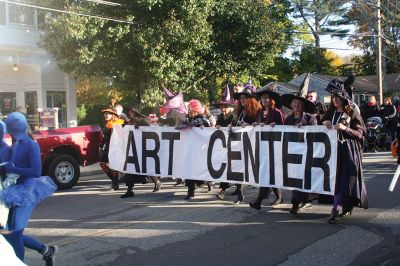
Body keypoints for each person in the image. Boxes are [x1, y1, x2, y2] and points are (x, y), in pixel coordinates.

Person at [0, 112, 58, 264]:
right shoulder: (15, 145)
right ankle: (46, 250)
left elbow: (36, 172)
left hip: (27, 190)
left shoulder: (31, 145)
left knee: (14, 233)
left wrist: (13, 168)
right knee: (8, 233)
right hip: (12, 190)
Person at [321, 79, 368, 224]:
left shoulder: (353, 113)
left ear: (343, 98)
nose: (335, 100)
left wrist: (345, 128)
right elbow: (317, 127)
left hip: (348, 152)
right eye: (333, 98)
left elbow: (360, 134)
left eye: (337, 97)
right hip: (332, 153)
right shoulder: (330, 113)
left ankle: (336, 210)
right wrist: (324, 123)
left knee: (345, 181)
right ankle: (338, 207)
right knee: (335, 182)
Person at [281, 83, 318, 215]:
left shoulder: (310, 118)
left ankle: (308, 200)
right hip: (293, 153)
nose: (296, 106)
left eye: (299, 104)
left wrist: (304, 128)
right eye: (294, 103)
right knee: (294, 178)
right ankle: (295, 203)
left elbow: (317, 133)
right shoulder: (288, 119)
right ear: (291, 105)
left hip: (307, 152)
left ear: (303, 105)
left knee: (306, 177)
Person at [249, 83, 285, 210]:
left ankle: (259, 200)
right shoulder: (259, 112)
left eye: (267, 98)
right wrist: (255, 124)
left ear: (272, 100)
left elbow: (283, 128)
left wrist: (276, 125)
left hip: (273, 147)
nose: (265, 100)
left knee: (267, 173)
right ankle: (279, 197)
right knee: (269, 173)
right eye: (263, 98)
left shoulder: (277, 112)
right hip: (262, 147)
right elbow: (259, 125)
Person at [228, 82, 261, 204]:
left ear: (250, 99)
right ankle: (240, 192)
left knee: (258, 169)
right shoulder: (240, 110)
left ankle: (275, 194)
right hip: (239, 142)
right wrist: (231, 125)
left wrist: (251, 125)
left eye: (244, 98)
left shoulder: (257, 110)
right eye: (241, 98)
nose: (242, 100)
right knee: (238, 167)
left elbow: (259, 124)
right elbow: (235, 122)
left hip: (252, 144)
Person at [121, 107, 162, 198]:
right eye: (129, 112)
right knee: (130, 169)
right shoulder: (130, 121)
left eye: (132, 112)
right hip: (132, 148)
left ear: (135, 112)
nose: (130, 114)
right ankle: (129, 190)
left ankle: (157, 181)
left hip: (143, 147)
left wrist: (138, 126)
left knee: (146, 167)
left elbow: (150, 130)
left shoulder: (143, 120)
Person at [184, 99, 211, 200]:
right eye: (189, 109)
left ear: (195, 109)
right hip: (190, 148)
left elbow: (209, 129)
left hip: (200, 149)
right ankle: (190, 191)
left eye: (191, 109)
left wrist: (204, 128)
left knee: (199, 168)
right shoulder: (188, 119)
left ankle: (207, 183)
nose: (189, 111)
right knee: (189, 169)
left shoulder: (202, 119)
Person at [214, 85, 237, 200]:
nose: (223, 109)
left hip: (233, 146)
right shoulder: (219, 117)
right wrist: (217, 126)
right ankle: (224, 189)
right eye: (222, 107)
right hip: (222, 146)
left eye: (225, 107)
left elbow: (238, 129)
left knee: (233, 168)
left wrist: (232, 126)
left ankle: (225, 190)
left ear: (230, 107)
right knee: (224, 167)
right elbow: (216, 128)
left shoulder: (233, 117)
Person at [99, 108, 125, 190]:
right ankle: (114, 180)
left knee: (113, 166)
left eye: (108, 114)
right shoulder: (108, 124)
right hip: (107, 148)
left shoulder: (117, 124)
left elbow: (121, 137)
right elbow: (105, 137)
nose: (106, 115)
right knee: (103, 164)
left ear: (112, 115)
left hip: (114, 148)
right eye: (105, 114)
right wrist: (101, 145)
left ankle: (115, 183)